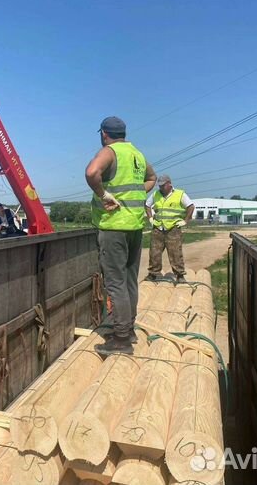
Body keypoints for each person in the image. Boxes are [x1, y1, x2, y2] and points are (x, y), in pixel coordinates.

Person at [85, 116, 157, 355]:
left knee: (115, 284)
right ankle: (130, 329)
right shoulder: (137, 154)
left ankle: (121, 340)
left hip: (114, 227)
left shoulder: (110, 151)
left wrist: (104, 194)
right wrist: (134, 194)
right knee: (129, 281)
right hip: (135, 227)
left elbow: (92, 172)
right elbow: (152, 179)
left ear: (104, 134)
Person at [145, 174, 194, 283]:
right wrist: (150, 218)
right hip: (158, 227)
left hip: (173, 228)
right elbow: (147, 205)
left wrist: (186, 220)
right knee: (154, 252)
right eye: (160, 186)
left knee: (175, 252)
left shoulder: (180, 194)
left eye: (163, 185)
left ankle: (180, 275)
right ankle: (152, 274)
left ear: (169, 184)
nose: (161, 188)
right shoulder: (155, 194)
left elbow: (191, 206)